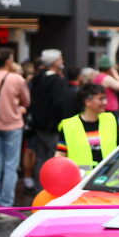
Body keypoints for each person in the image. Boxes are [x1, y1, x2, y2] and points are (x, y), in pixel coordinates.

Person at [0, 47, 29, 217]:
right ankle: (5, 205)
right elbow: (26, 100)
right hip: (13, 124)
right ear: (8, 61)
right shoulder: (16, 78)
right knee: (11, 165)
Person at [29, 49, 71, 181]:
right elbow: (59, 104)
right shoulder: (56, 80)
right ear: (54, 62)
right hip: (52, 126)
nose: (62, 61)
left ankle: (39, 185)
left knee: (41, 157)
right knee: (55, 157)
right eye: (60, 59)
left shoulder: (38, 78)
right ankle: (51, 183)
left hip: (38, 124)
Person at [57, 82, 118, 169]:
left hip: (110, 180)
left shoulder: (110, 119)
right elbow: (60, 155)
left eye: (105, 98)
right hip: (83, 180)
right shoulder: (69, 126)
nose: (105, 102)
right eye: (101, 99)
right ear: (88, 102)